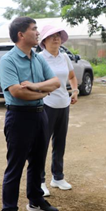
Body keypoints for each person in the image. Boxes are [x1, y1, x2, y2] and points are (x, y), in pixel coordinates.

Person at [0, 17, 61, 211]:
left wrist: (35, 86)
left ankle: (35, 201)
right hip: (18, 117)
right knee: (15, 165)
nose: (38, 33)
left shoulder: (37, 58)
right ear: (21, 35)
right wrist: (43, 91)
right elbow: (16, 92)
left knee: (37, 161)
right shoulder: (8, 60)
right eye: (34, 30)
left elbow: (56, 82)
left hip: (39, 114)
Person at [37, 25, 79, 196]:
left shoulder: (64, 57)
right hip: (46, 104)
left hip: (64, 104)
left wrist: (74, 90)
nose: (56, 38)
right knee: (42, 144)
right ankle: (39, 181)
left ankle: (58, 177)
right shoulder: (39, 58)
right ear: (44, 41)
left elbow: (71, 76)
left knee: (60, 143)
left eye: (58, 36)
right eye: (52, 36)